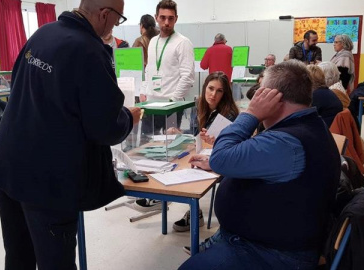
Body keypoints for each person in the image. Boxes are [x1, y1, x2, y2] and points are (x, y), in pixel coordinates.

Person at [0, 0, 141, 269]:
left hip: (9, 163)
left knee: (18, 255)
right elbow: (104, 127)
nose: (117, 25)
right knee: (55, 261)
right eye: (119, 19)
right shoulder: (90, 50)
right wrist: (129, 116)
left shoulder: (43, 33)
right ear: (105, 14)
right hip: (47, 176)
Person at [179, 60, 341, 269]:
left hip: (271, 254)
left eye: (259, 93)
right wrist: (220, 162)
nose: (254, 99)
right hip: (268, 241)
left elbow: (221, 157)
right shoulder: (306, 126)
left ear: (273, 98)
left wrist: (251, 114)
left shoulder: (285, 143)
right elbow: (227, 160)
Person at [135, 0, 195, 212]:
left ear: (176, 19)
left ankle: (167, 194)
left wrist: (172, 101)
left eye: (170, 18)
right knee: (148, 150)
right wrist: (143, 90)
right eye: (163, 17)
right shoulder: (152, 43)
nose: (166, 22)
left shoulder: (183, 42)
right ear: (157, 17)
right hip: (150, 105)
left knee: (168, 152)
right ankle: (152, 193)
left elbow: (187, 76)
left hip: (170, 107)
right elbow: (149, 70)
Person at [169, 72, 239, 232]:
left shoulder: (229, 114)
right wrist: (180, 132)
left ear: (225, 93)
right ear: (204, 88)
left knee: (191, 167)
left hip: (222, 159)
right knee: (181, 164)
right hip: (204, 154)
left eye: (219, 91)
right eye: (211, 88)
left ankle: (195, 213)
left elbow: (232, 144)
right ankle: (193, 210)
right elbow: (195, 133)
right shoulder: (199, 105)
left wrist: (217, 141)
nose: (213, 94)